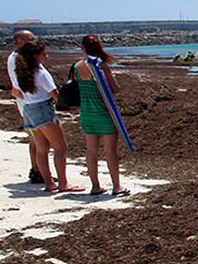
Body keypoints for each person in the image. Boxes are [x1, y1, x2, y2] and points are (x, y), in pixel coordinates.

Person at [14, 41, 83, 193]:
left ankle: (49, 183)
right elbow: (55, 95)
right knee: (60, 147)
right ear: (35, 56)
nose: (47, 56)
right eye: (43, 54)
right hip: (43, 110)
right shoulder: (41, 73)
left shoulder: (22, 72)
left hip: (29, 111)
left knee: (41, 148)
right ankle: (63, 184)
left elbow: (16, 92)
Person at [73, 34, 127, 196]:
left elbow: (79, 85)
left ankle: (95, 186)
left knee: (91, 151)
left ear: (83, 48)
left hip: (87, 112)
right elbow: (115, 89)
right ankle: (116, 186)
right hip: (104, 112)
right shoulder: (100, 65)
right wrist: (112, 77)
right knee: (110, 150)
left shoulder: (77, 66)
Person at [7, 30, 43, 183]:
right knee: (37, 138)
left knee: (35, 138)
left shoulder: (21, 58)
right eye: (30, 39)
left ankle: (36, 169)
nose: (34, 41)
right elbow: (17, 89)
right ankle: (37, 170)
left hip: (29, 104)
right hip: (30, 105)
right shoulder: (17, 59)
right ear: (20, 42)